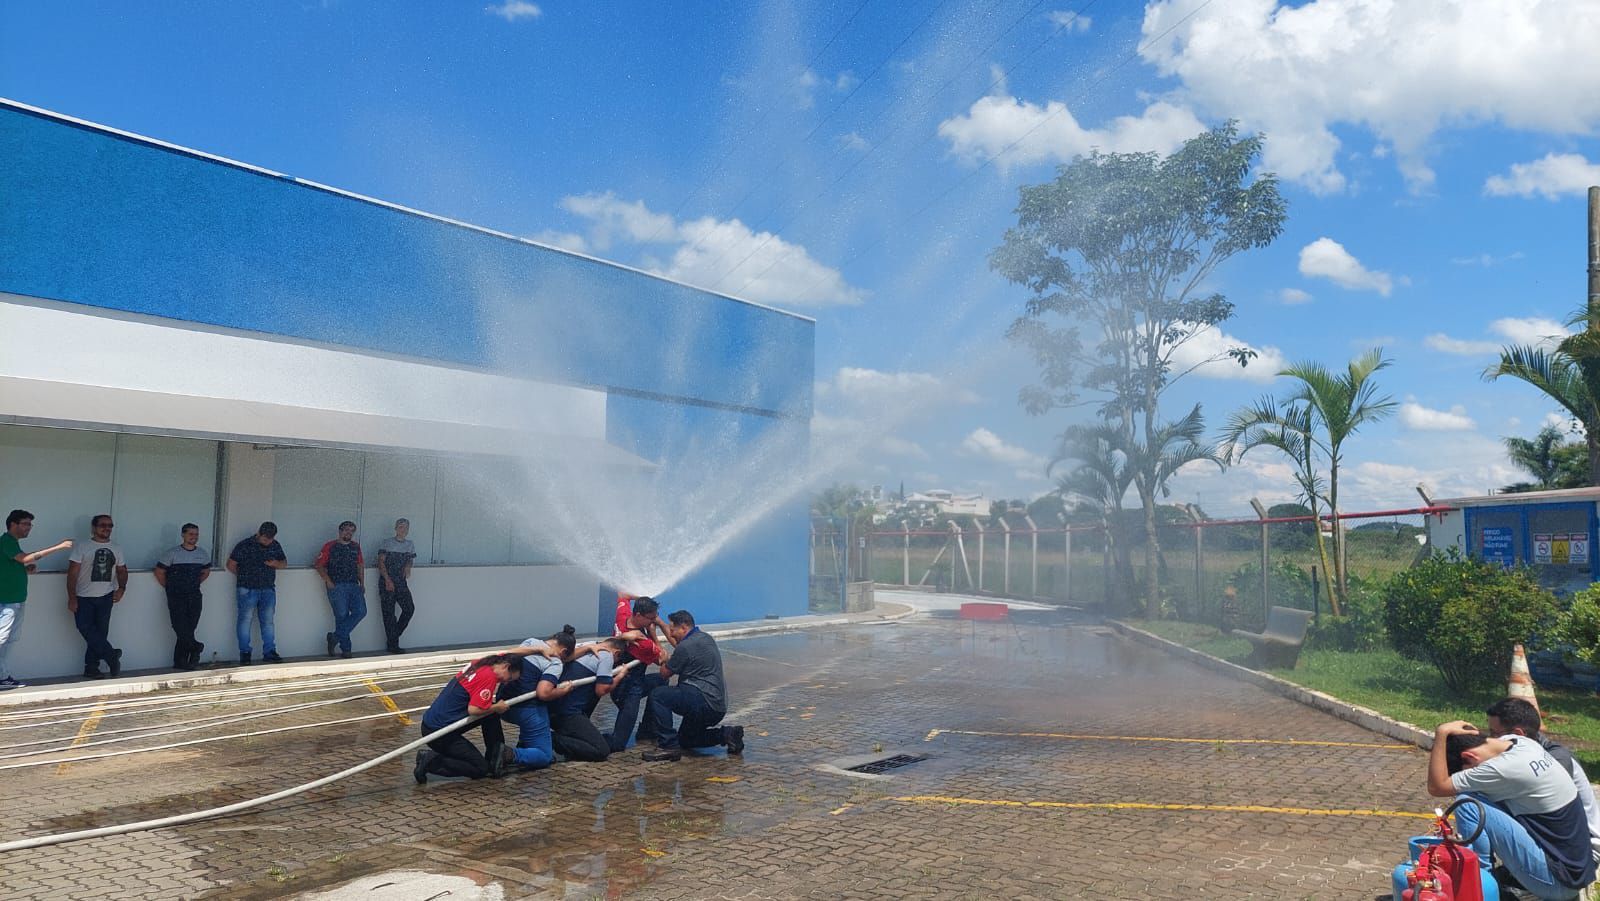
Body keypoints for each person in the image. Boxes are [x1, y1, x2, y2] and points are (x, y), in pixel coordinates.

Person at [1431, 719, 1597, 899]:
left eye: (1468, 771)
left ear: (1469, 757)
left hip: (1558, 883)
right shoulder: (1522, 743)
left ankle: (1480, 886)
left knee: (1468, 804)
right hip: (1576, 872)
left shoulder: (1502, 769)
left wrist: (1441, 733)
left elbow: (1437, 787)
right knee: (1479, 799)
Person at [1486, 698, 1600, 866]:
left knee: (1480, 807)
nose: (1489, 740)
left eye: (1495, 734)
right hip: (1562, 847)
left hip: (1581, 853)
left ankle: (1484, 876)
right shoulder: (1532, 754)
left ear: (1518, 735)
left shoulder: (1554, 760)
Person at [641, 610, 743, 762]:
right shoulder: (704, 638)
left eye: (672, 629)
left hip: (702, 700)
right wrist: (660, 624)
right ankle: (727, 734)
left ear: (683, 627)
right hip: (716, 705)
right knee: (686, 740)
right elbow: (680, 646)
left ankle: (668, 747)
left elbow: (664, 673)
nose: (672, 633)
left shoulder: (686, 647)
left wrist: (660, 651)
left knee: (659, 695)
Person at [414, 653, 517, 783]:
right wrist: (497, 707)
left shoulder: (483, 663)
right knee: (480, 768)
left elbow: (516, 650)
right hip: (439, 733)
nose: (506, 682)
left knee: (490, 715)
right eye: (510, 678)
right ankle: (431, 762)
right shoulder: (488, 677)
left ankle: (495, 757)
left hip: (435, 722)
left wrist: (537, 649)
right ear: (506, 666)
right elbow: (474, 710)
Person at [0, 510, 72, 689]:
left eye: (30, 525)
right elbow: (24, 558)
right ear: (13, 524)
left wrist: (24, 570)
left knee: (8, 640)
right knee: (2, 639)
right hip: (7, 600)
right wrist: (59, 547)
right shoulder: (6, 542)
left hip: (15, 599)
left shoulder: (11, 544)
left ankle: (2, 677)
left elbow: (12, 565)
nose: (29, 528)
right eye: (25, 524)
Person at [495, 637, 576, 772]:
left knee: (532, 731)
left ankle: (525, 745)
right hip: (526, 708)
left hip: (503, 703)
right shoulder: (555, 662)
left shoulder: (531, 642)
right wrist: (563, 691)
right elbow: (543, 693)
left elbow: (509, 654)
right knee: (545, 755)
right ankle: (509, 754)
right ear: (563, 651)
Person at [66, 514, 128, 680]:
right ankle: (111, 656)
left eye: (110, 525)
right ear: (94, 528)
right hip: (83, 597)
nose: (106, 528)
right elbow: (72, 573)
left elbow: (122, 570)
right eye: (103, 525)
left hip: (106, 596)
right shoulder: (82, 547)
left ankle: (92, 668)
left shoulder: (117, 548)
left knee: (100, 633)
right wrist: (72, 597)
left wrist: (122, 588)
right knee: (85, 628)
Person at [607, 594, 669, 751]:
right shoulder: (642, 643)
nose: (653, 621)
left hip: (619, 681)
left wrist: (643, 596)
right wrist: (653, 633)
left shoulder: (623, 616)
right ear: (639, 615)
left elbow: (622, 595)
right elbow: (662, 659)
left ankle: (647, 728)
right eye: (651, 618)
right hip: (628, 690)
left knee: (661, 681)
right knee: (617, 744)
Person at [227, 522, 287, 665]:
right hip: (247, 589)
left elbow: (284, 563)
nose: (268, 541)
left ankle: (270, 651)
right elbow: (231, 564)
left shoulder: (275, 545)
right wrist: (244, 577)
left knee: (268, 622)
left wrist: (275, 564)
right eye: (265, 538)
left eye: (270, 538)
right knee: (244, 621)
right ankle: (245, 652)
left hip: (267, 588)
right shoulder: (244, 545)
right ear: (258, 534)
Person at [155, 523, 211, 670]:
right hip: (176, 596)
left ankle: (181, 661)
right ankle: (196, 647)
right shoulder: (172, 553)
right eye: (191, 534)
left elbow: (206, 571)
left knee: (189, 629)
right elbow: (159, 572)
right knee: (179, 627)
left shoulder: (202, 554)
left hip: (194, 595)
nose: (194, 537)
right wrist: (169, 587)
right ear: (183, 535)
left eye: (196, 534)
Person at [315, 521, 365, 659]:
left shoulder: (355, 547)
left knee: (361, 612)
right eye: (346, 530)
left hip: (354, 585)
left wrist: (362, 583)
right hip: (337, 585)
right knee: (341, 616)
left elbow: (360, 565)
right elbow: (319, 565)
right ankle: (346, 649)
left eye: (351, 531)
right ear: (340, 531)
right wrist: (329, 581)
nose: (348, 533)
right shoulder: (330, 546)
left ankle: (334, 637)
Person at [375, 519, 417, 654]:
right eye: (400, 526)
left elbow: (410, 559)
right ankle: (393, 645)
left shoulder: (410, 544)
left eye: (406, 527)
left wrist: (408, 566)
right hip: (387, 581)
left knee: (409, 609)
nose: (403, 529)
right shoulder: (387, 543)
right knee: (389, 614)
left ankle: (393, 638)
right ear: (395, 528)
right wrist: (387, 579)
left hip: (401, 582)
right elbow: (380, 562)